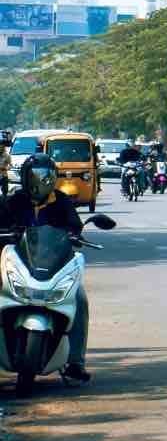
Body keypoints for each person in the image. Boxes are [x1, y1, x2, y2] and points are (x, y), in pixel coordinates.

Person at [3, 154, 91, 384]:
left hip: (52, 266)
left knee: (79, 300)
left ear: (54, 179)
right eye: (34, 176)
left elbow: (75, 227)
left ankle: (75, 362)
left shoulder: (62, 202)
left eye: (46, 177)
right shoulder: (14, 202)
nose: (40, 182)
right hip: (19, 264)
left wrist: (74, 236)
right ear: (24, 178)